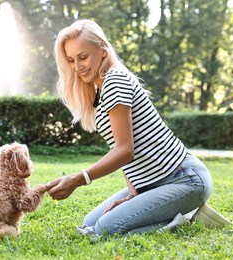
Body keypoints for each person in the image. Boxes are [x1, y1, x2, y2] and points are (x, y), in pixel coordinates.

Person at [45, 19, 215, 236]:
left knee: (105, 229)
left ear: (103, 50)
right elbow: (123, 150)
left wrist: (79, 178)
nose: (77, 67)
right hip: (151, 184)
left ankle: (189, 219)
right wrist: (134, 194)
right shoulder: (100, 91)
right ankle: (175, 214)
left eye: (83, 57)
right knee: (89, 223)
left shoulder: (115, 81)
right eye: (70, 60)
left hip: (185, 179)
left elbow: (125, 150)